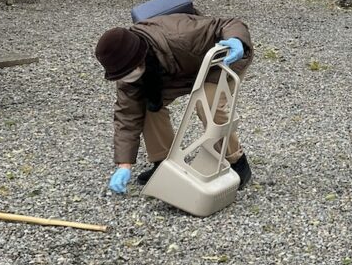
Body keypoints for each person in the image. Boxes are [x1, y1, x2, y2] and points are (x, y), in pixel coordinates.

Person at [95, 13, 253, 195]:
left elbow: (229, 22)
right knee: (148, 105)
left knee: (210, 106)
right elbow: (127, 116)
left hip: (221, 61)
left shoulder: (180, 34)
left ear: (140, 57)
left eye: (127, 72)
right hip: (176, 72)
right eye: (120, 76)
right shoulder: (126, 74)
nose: (124, 79)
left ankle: (236, 161)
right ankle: (164, 164)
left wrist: (237, 41)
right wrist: (124, 164)